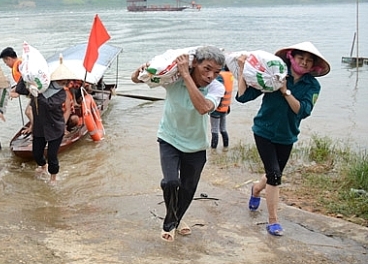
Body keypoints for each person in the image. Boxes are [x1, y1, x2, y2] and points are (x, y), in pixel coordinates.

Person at [131, 46, 225, 242]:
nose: (210, 75)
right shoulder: (174, 79)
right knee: (171, 182)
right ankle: (170, 222)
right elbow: (136, 79)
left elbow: (203, 108)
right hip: (169, 138)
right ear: (195, 64)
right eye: (206, 68)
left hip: (197, 145)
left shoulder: (216, 87)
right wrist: (142, 70)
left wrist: (187, 76)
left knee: (188, 189)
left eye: (216, 71)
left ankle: (175, 219)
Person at [236, 41, 330, 237]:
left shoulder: (312, 86)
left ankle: (255, 189)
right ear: (291, 58)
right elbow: (244, 97)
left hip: (287, 135)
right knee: (275, 176)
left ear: (313, 66)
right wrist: (242, 70)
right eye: (300, 58)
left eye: (308, 61)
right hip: (264, 131)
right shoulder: (274, 73)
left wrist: (285, 90)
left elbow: (302, 111)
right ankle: (273, 221)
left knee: (274, 174)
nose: (303, 62)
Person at [15, 62, 73, 182]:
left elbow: (49, 104)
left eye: (65, 79)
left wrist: (36, 92)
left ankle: (53, 178)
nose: (63, 81)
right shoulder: (41, 87)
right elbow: (20, 89)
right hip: (40, 127)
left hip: (55, 128)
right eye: (61, 79)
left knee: (52, 156)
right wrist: (24, 74)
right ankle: (43, 166)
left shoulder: (62, 93)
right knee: (37, 154)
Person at [0, 47, 33, 133]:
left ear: (9, 59)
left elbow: (24, 83)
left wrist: (13, 93)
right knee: (29, 111)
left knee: (28, 112)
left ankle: (34, 130)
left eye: (6, 62)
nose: (6, 65)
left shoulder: (19, 65)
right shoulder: (21, 63)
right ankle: (33, 127)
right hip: (31, 91)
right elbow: (21, 83)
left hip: (35, 92)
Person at [210, 66, 234, 150]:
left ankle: (213, 150)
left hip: (217, 108)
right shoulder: (229, 75)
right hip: (225, 107)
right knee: (223, 129)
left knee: (214, 130)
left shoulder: (220, 76)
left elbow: (219, 91)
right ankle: (226, 147)